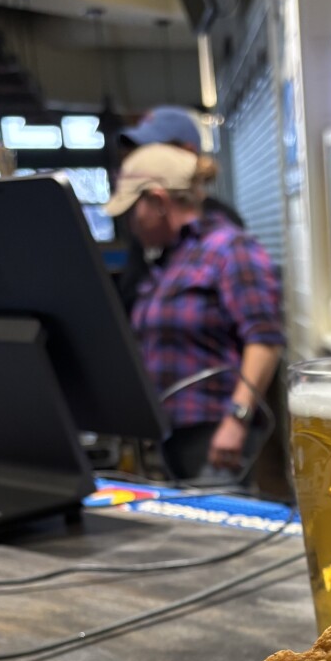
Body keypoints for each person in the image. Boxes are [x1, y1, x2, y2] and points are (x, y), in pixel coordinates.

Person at [105, 143, 284, 483]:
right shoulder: (171, 259)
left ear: (158, 201)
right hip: (175, 431)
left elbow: (265, 340)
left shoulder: (229, 249)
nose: (131, 223)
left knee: (220, 528)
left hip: (216, 431)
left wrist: (237, 419)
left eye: (134, 210)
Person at [115, 106, 244, 314]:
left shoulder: (224, 228)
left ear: (188, 152)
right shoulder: (150, 225)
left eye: (153, 152)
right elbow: (131, 296)